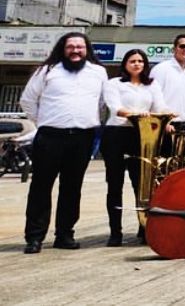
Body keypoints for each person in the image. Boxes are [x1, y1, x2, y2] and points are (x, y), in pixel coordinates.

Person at [20, 32, 107, 254]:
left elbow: (100, 103)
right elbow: (28, 100)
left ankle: (65, 234)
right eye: (71, 47)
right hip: (50, 137)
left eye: (80, 47)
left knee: (72, 187)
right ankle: (34, 237)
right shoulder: (47, 71)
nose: (75, 51)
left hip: (82, 137)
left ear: (87, 50)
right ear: (62, 48)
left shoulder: (98, 72)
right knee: (41, 187)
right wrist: (44, 121)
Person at [101, 48, 166, 246]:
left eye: (140, 61)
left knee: (142, 184)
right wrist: (136, 114)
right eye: (133, 61)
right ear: (125, 64)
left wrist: (168, 117)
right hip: (117, 134)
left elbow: (159, 107)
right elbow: (115, 107)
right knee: (115, 184)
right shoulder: (114, 83)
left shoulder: (152, 84)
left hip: (141, 136)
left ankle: (144, 227)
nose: (137, 64)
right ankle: (115, 232)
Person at [149, 34, 185, 136]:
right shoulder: (161, 69)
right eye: (182, 46)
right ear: (174, 49)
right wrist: (163, 122)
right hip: (162, 125)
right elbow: (153, 97)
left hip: (184, 126)